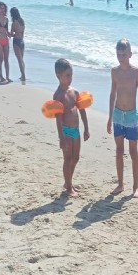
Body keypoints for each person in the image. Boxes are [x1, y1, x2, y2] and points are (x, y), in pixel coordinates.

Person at [106, 38, 138, 198]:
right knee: (119, 150)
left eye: (123, 54)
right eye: (118, 54)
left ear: (130, 54)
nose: (121, 57)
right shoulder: (114, 72)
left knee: (133, 151)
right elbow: (112, 94)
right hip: (117, 115)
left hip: (131, 117)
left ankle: (136, 186)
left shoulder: (136, 73)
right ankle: (120, 184)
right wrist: (109, 118)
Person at [52, 59, 90, 197]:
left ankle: (68, 181)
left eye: (71, 75)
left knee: (76, 158)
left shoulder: (75, 92)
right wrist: (61, 137)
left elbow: (82, 110)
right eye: (67, 75)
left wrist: (86, 128)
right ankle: (68, 187)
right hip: (66, 131)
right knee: (67, 159)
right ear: (58, 76)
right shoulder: (58, 96)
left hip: (76, 130)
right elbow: (58, 118)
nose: (70, 78)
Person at [9, 7, 26, 82]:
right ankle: (23, 75)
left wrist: (7, 33)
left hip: (16, 41)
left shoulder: (14, 23)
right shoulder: (22, 21)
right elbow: (22, 33)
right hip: (22, 41)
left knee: (19, 60)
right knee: (22, 60)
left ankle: (23, 76)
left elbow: (11, 34)